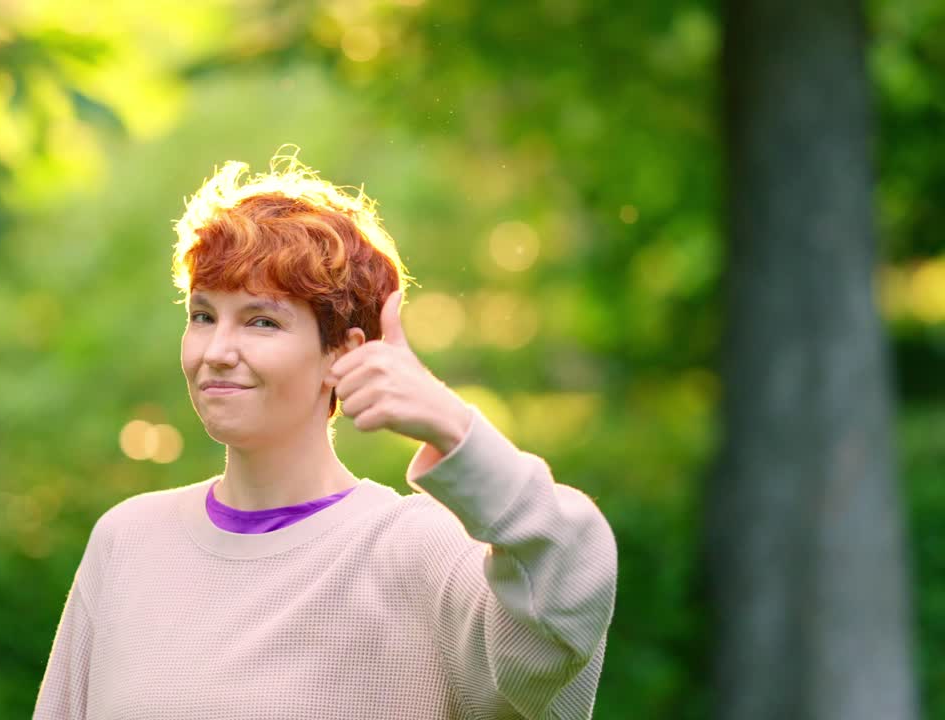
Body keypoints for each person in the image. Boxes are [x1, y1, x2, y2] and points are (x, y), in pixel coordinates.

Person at [33, 148, 617, 719]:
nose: (216, 352)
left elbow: (568, 601)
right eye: (203, 315)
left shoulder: (421, 552)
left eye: (262, 321)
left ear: (342, 352)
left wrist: (452, 425)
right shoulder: (127, 541)